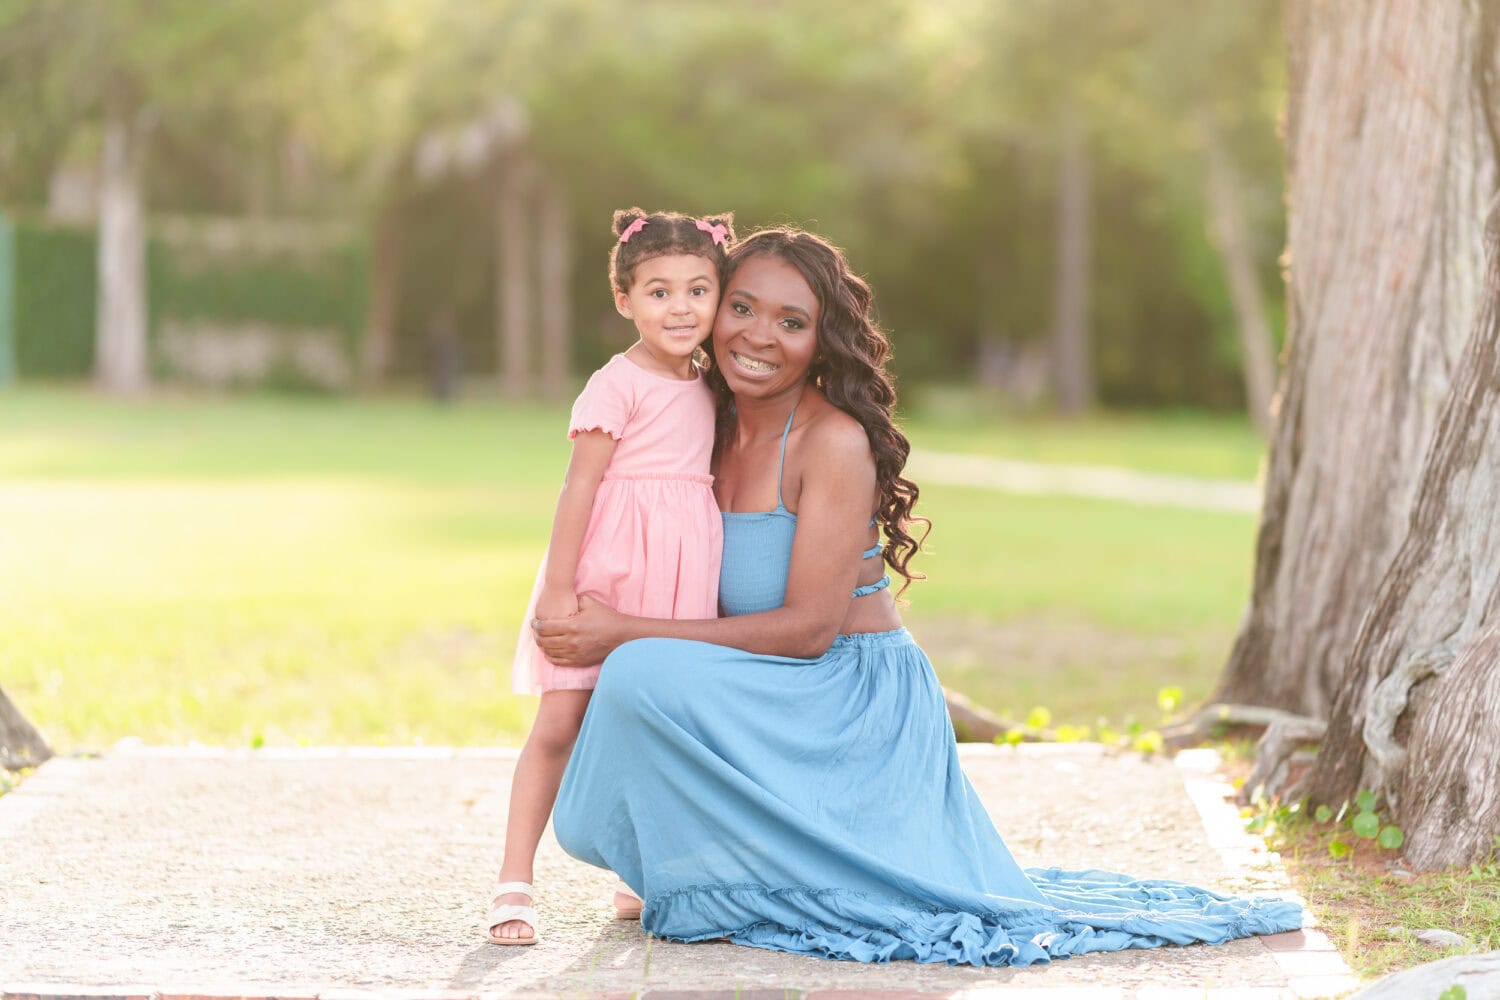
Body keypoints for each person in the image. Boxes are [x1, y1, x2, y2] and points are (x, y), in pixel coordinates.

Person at [531, 227, 1303, 966]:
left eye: (791, 322)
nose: (758, 336)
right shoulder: (700, 418)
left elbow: (807, 630)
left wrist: (623, 632)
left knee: (637, 672)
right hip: (765, 685)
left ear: (821, 341)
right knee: (612, 740)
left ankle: (759, 872)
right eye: (742, 307)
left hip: (847, 692)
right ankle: (708, 865)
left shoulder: (830, 441)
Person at [488, 208, 736, 946]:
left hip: (682, 577)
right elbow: (580, 488)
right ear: (625, 300)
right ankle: (513, 878)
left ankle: (636, 871)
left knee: (653, 723)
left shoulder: (713, 386)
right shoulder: (615, 383)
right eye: (659, 292)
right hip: (609, 570)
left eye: (698, 290)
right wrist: (560, 589)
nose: (681, 307)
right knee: (562, 722)